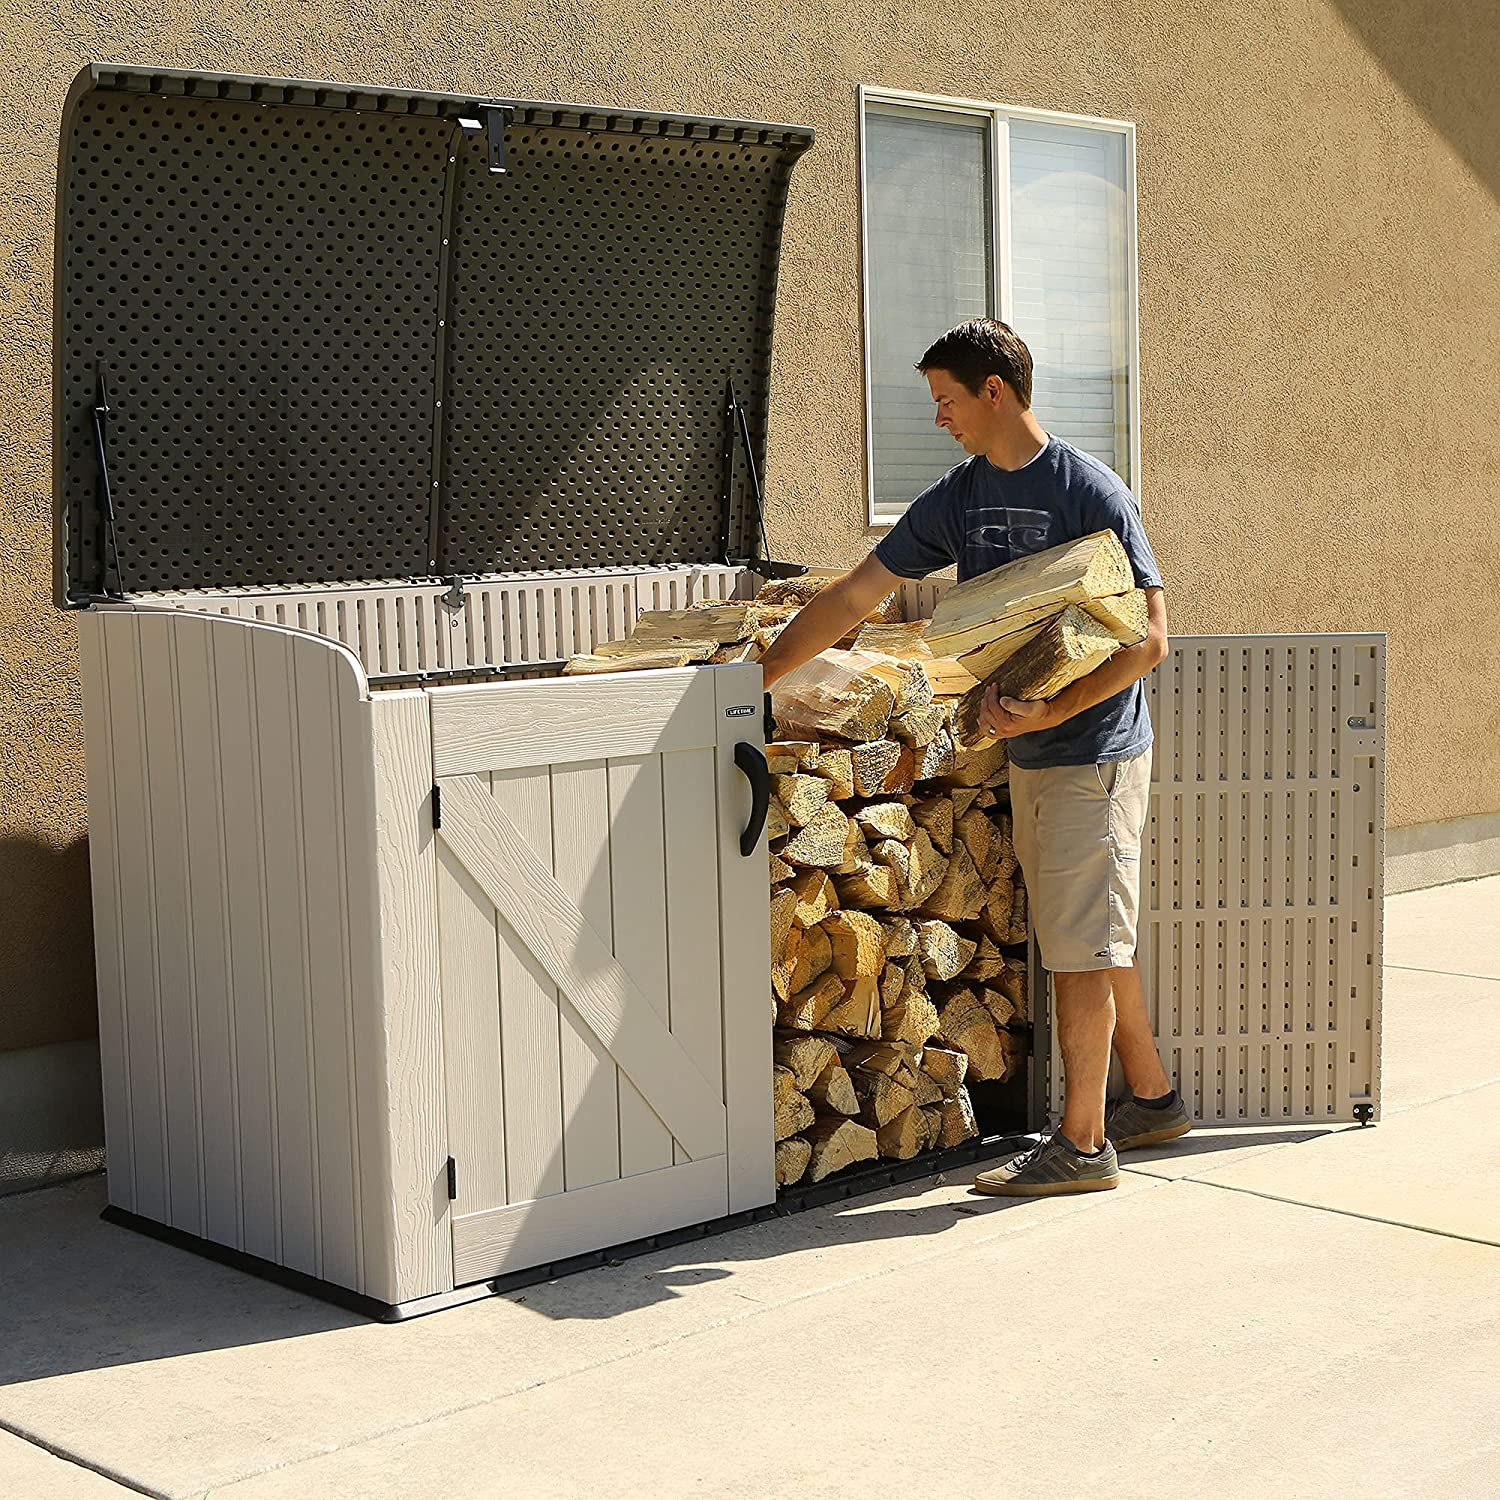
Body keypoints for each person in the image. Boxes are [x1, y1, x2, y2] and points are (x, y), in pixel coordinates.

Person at [758, 318, 1191, 1196]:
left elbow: (1149, 642)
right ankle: (1151, 1099)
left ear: (996, 391)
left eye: (948, 401)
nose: (940, 418)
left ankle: (1083, 1146)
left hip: (1093, 755)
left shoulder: (1089, 489)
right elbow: (857, 591)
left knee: (1077, 947)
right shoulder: (961, 497)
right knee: (1089, 930)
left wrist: (1051, 710)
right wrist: (755, 675)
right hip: (1035, 755)